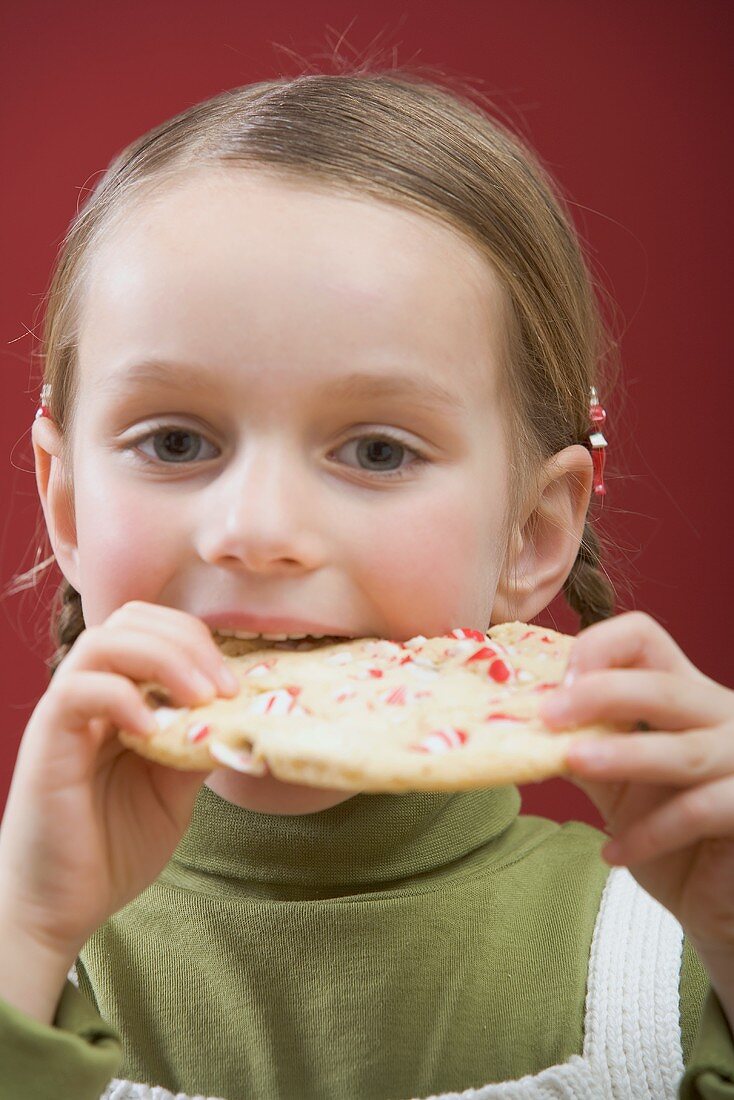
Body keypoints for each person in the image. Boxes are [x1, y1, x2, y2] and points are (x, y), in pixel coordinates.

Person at [0, 65, 732, 1100]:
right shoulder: (16, 957)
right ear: (67, 505)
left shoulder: (680, 954)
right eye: (174, 439)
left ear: (528, 531)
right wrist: (22, 942)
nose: (256, 531)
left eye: (376, 451)